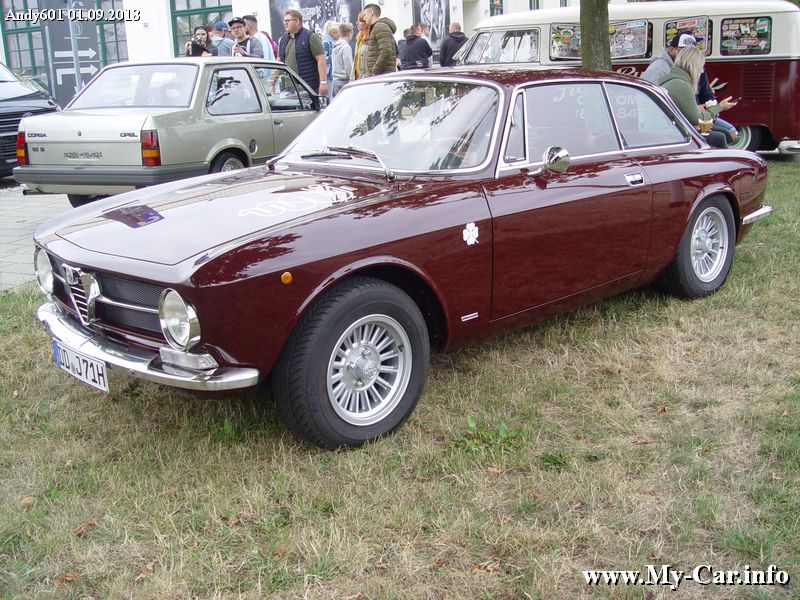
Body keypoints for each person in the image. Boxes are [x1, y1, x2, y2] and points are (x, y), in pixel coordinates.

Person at [659, 46, 737, 148]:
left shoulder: (674, 80)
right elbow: (697, 120)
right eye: (701, 67)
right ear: (694, 66)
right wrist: (720, 107)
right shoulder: (682, 85)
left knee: (724, 133)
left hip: (672, 128)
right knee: (720, 137)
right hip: (673, 132)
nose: (702, 71)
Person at [278, 9, 327, 96]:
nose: (285, 23)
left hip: (307, 86)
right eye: (284, 21)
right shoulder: (283, 40)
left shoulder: (310, 37)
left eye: (288, 20)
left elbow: (321, 60)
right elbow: (279, 61)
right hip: (287, 88)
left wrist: (323, 82)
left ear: (297, 21)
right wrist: (272, 81)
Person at [362, 3, 397, 76]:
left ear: (372, 13)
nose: (364, 18)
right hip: (382, 74)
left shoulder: (380, 27)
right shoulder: (377, 27)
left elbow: (386, 51)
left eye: (365, 15)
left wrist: (375, 71)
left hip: (382, 75)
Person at [332, 23, 353, 96]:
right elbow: (348, 67)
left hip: (335, 81)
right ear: (349, 33)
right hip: (344, 82)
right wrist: (352, 79)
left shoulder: (334, 46)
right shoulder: (346, 47)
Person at [322, 21, 340, 98]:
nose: (339, 34)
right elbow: (324, 59)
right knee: (329, 98)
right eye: (338, 32)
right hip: (328, 75)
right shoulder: (326, 43)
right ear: (333, 32)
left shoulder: (329, 42)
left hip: (329, 74)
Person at [352, 12, 370, 81]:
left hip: (366, 78)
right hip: (357, 78)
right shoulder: (359, 40)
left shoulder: (371, 39)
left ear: (366, 23)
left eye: (359, 21)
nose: (357, 23)